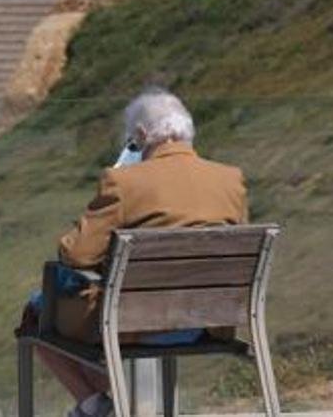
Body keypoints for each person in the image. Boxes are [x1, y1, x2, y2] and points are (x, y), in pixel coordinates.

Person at [18, 88, 249, 417]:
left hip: (133, 324)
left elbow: (76, 257)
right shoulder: (231, 180)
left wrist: (86, 222)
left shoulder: (124, 182)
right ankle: (99, 407)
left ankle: (95, 405)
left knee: (37, 312)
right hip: (207, 322)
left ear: (140, 135)